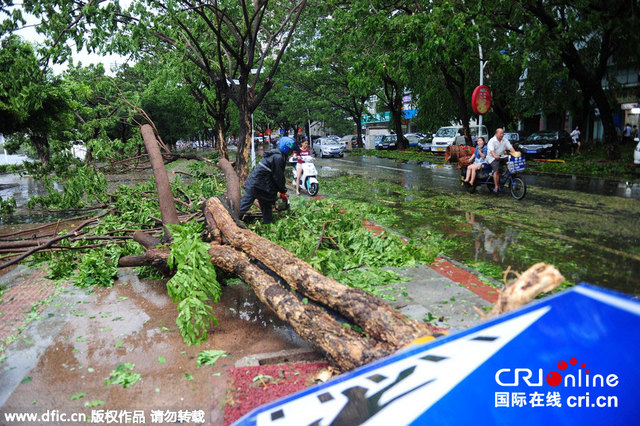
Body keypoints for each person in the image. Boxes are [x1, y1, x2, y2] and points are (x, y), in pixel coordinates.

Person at [238, 136, 295, 224]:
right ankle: (232, 221)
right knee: (243, 207)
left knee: (266, 207)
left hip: (262, 186)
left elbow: (275, 176)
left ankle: (267, 225)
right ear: (286, 148)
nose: (292, 152)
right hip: (256, 185)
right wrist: (283, 190)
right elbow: (278, 177)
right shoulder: (278, 158)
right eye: (291, 150)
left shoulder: (276, 155)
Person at [485, 128, 519, 193]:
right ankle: (496, 186)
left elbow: (510, 147)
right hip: (492, 158)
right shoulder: (492, 141)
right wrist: (495, 156)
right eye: (500, 133)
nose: (502, 135)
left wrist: (515, 154)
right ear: (496, 133)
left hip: (501, 156)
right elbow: (492, 151)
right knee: (496, 170)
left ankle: (503, 174)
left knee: (511, 163)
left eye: (503, 133)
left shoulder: (505, 140)